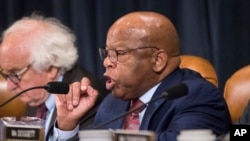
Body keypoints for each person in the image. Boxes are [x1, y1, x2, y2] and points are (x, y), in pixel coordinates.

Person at [51, 11, 232, 141]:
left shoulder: (196, 96)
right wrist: (68, 127)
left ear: (158, 60)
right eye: (107, 53)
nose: (107, 62)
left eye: (119, 53)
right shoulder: (113, 103)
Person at [0, 13, 109, 137]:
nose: (9, 87)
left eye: (15, 74)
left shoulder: (86, 97)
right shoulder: (36, 94)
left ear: (51, 68)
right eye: (6, 75)